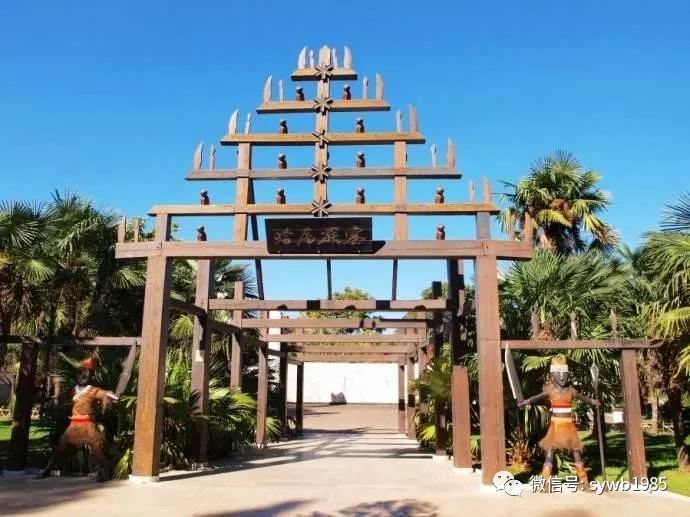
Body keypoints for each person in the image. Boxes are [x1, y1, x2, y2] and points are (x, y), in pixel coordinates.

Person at [518, 354, 599, 487]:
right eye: (558, 373)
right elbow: (536, 398)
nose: (562, 376)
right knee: (550, 453)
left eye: (564, 373)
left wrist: (593, 402)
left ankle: (584, 482)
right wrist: (525, 402)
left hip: (568, 427)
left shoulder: (571, 391)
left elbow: (586, 399)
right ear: (552, 375)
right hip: (555, 427)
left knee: (576, 452)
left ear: (568, 374)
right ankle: (545, 483)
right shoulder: (550, 391)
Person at [37, 356, 118, 482]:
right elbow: (62, 398)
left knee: (97, 448)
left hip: (88, 424)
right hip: (74, 425)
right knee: (60, 448)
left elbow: (104, 394)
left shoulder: (93, 390)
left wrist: (109, 396)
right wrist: (55, 399)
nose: (83, 375)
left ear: (91, 375)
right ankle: (47, 469)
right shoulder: (73, 391)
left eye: (86, 373)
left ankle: (104, 473)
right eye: (81, 372)